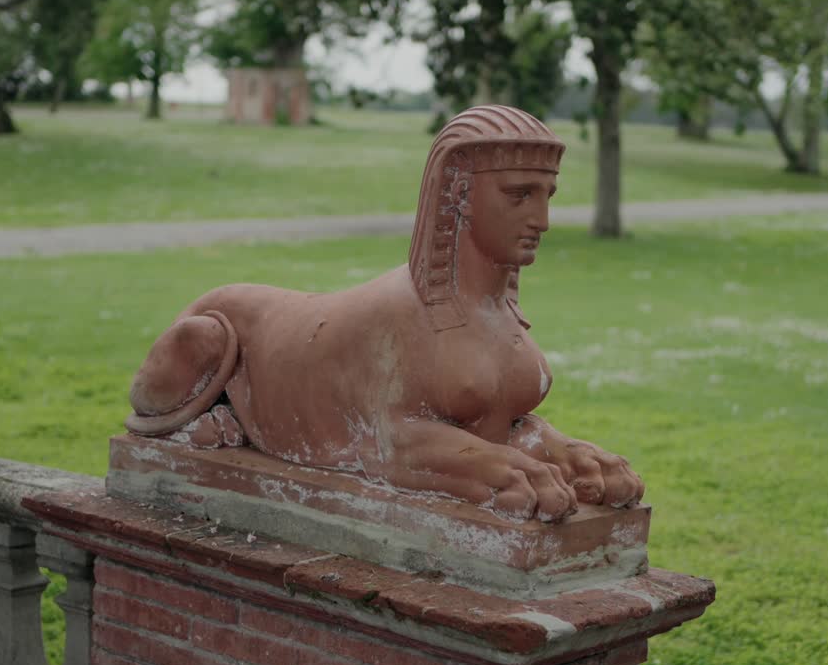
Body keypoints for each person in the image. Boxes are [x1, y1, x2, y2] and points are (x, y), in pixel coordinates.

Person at [124, 105, 644, 522]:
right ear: (458, 192)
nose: (544, 220)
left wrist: (562, 450)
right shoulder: (402, 317)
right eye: (519, 195)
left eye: (547, 195)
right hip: (229, 343)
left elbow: (495, 423)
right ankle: (203, 417)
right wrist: (496, 468)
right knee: (206, 337)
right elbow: (392, 441)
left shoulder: (496, 317)